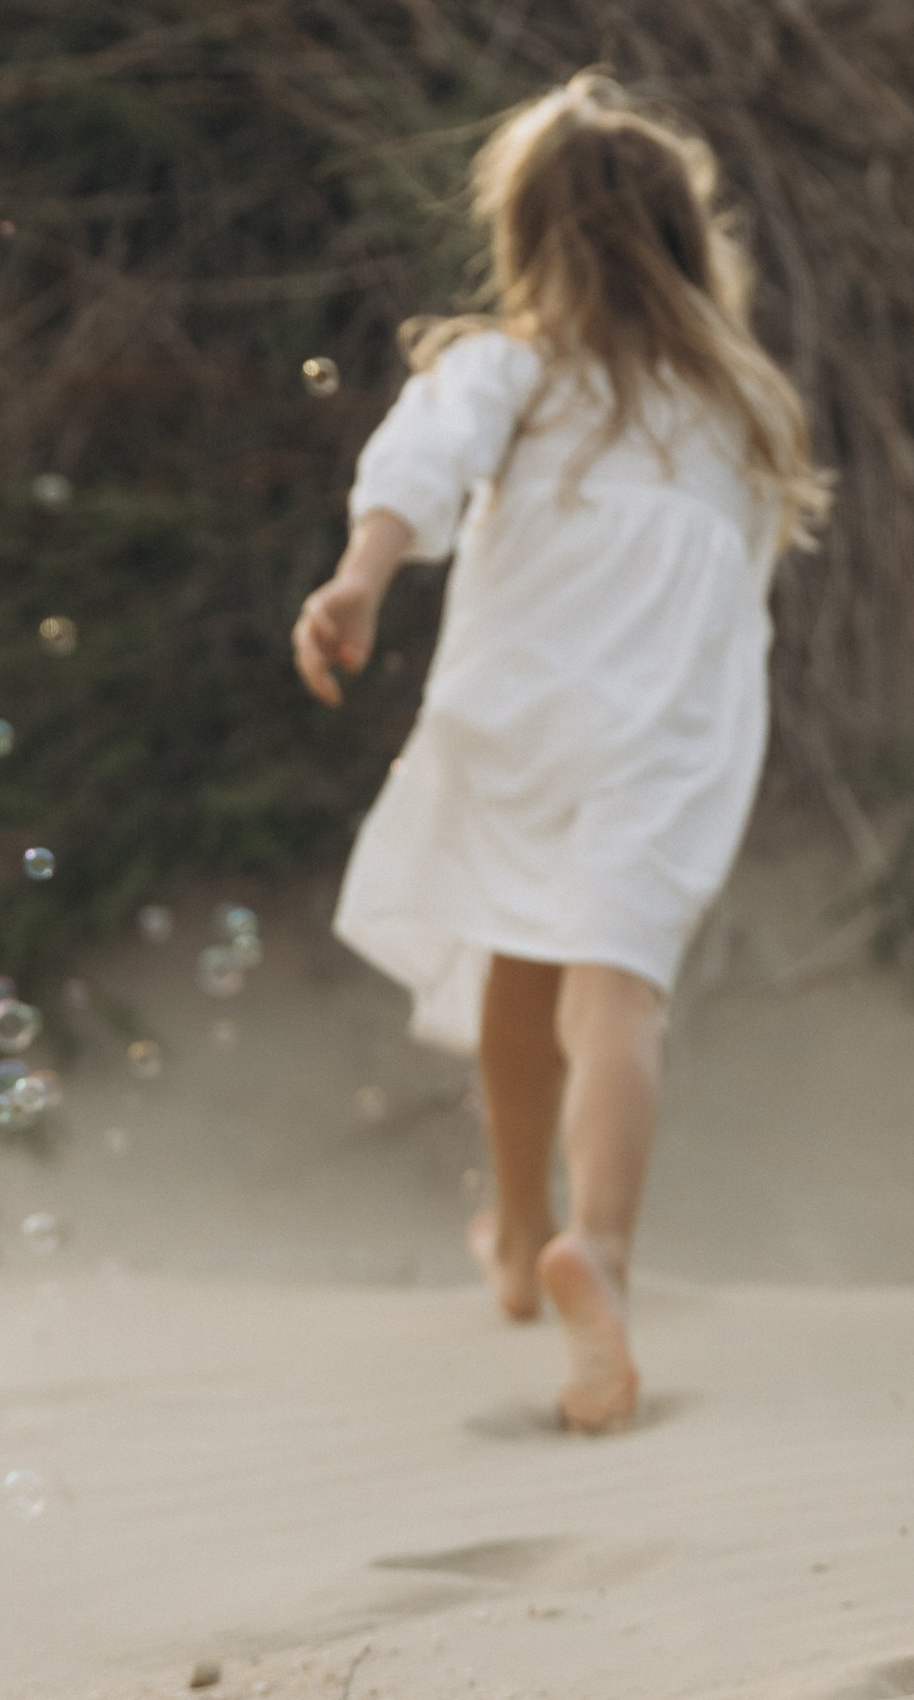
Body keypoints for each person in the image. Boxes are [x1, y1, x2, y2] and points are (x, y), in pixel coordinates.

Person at [293, 73, 828, 1433]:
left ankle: (520, 1232)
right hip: (667, 724)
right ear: (687, 238)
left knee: (513, 962)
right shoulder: (745, 399)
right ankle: (602, 1251)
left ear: (527, 237)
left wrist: (359, 580)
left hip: (522, 700)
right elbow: (743, 580)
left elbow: (418, 464)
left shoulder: (506, 367)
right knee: (616, 994)